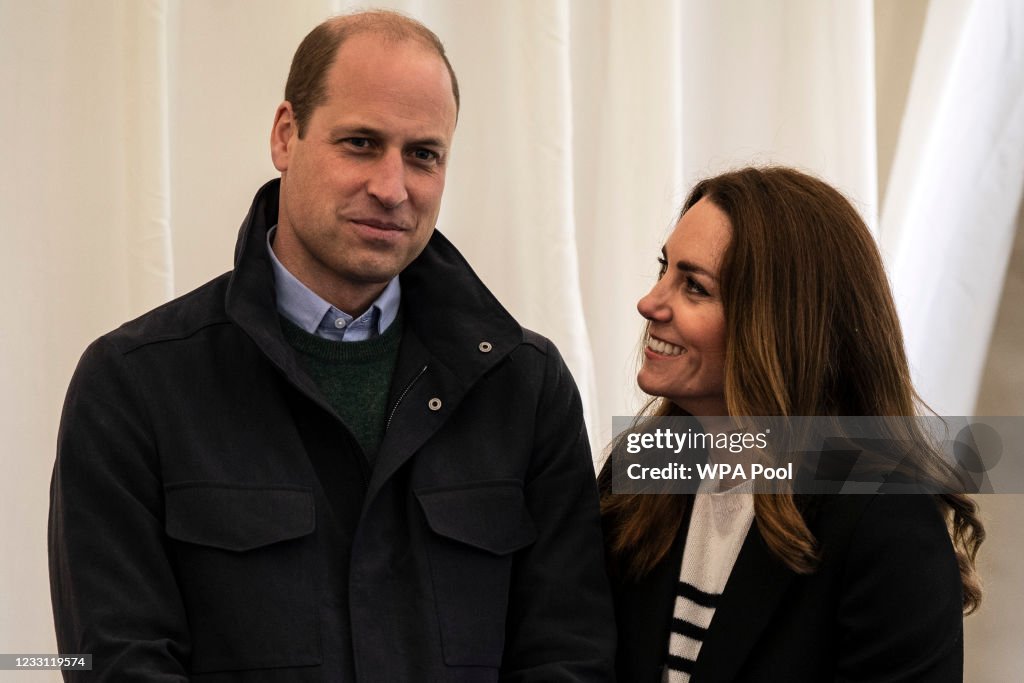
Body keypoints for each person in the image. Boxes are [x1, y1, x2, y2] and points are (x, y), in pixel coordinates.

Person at [49, 11, 614, 681]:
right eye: (360, 143)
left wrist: (767, 437)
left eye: (423, 155)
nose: (392, 187)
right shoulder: (132, 386)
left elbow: (569, 657)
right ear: (286, 135)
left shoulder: (525, 387)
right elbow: (116, 662)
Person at [600, 166, 984, 682]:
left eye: (693, 286)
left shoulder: (886, 524)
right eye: (663, 269)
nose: (649, 302)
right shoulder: (647, 462)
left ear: (777, 324)